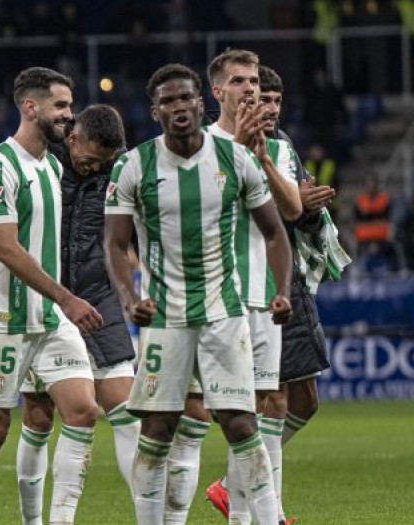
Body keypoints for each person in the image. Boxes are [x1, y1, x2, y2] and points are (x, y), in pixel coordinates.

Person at [103, 63, 293, 525]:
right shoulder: (134, 165)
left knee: (241, 422)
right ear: (155, 111)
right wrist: (129, 299)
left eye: (185, 98)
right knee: (158, 429)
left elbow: (275, 233)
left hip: (223, 312)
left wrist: (281, 290)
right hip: (164, 318)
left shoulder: (234, 159)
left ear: (199, 102)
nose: (179, 107)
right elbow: (114, 243)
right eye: (167, 101)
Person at [152, 48, 303, 525]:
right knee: (200, 415)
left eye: (254, 81)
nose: (251, 89)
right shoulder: (195, 143)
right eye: (239, 81)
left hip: (261, 295)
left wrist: (261, 157)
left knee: (268, 406)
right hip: (210, 297)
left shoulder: (276, 147)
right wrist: (239, 149)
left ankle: (258, 515)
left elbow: (293, 211)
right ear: (216, 91)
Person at [0, 66, 104, 525]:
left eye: (69, 105)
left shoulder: (53, 165)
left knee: (81, 412)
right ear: (30, 107)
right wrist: (67, 297)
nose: (69, 115)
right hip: (2, 319)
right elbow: (6, 247)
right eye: (60, 106)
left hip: (50, 321)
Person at [206, 64, 345, 525]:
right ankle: (264, 510)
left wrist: (307, 207)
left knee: (300, 400)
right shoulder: (213, 146)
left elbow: (294, 212)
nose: (269, 107)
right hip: (238, 286)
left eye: (276, 101)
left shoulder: (283, 149)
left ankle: (236, 488)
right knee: (266, 401)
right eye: (261, 98)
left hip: (287, 281)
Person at [16, 105, 140, 508]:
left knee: (126, 409)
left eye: (104, 163)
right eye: (89, 161)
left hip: (97, 299)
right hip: (45, 300)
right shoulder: (40, 162)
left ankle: (149, 515)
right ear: (72, 140)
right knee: (38, 417)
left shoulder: (120, 170)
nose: (94, 169)